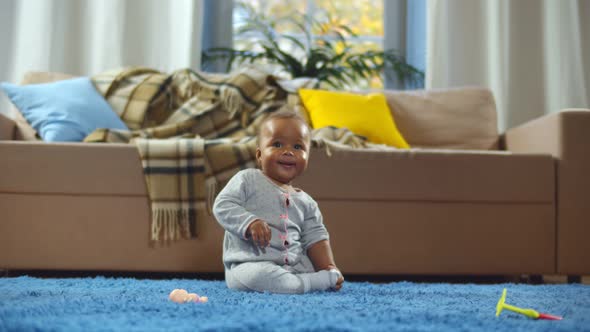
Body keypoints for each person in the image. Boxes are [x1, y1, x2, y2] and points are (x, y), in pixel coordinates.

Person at [213, 109, 344, 294]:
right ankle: (308, 284)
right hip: (249, 265)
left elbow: (316, 237)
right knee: (258, 276)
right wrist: (249, 222)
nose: (288, 152)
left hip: (293, 266)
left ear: (308, 157)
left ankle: (306, 280)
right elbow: (223, 205)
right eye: (277, 144)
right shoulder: (247, 179)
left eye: (298, 147)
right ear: (259, 155)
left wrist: (329, 267)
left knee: (307, 266)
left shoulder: (307, 202)